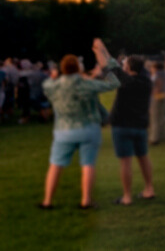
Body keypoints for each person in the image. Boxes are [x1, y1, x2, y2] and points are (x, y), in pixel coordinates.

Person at [39, 39, 120, 210]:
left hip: (64, 130)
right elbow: (114, 83)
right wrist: (106, 65)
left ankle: (47, 201)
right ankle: (86, 200)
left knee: (56, 165)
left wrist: (54, 77)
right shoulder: (86, 84)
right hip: (89, 128)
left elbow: (46, 85)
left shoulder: (52, 86)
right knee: (88, 164)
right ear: (78, 67)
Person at [108, 56, 156, 205]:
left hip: (123, 126)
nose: (123, 67)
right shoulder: (146, 81)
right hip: (140, 126)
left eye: (125, 65)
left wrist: (99, 47)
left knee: (126, 162)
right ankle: (149, 189)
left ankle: (127, 196)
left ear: (128, 69)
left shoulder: (126, 80)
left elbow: (108, 64)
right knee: (143, 158)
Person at [148, 61, 165, 144]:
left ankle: (154, 138)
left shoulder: (157, 74)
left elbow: (159, 83)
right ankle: (164, 135)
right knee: (161, 117)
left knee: (155, 118)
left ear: (155, 68)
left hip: (158, 97)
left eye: (152, 67)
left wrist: (154, 92)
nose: (151, 69)